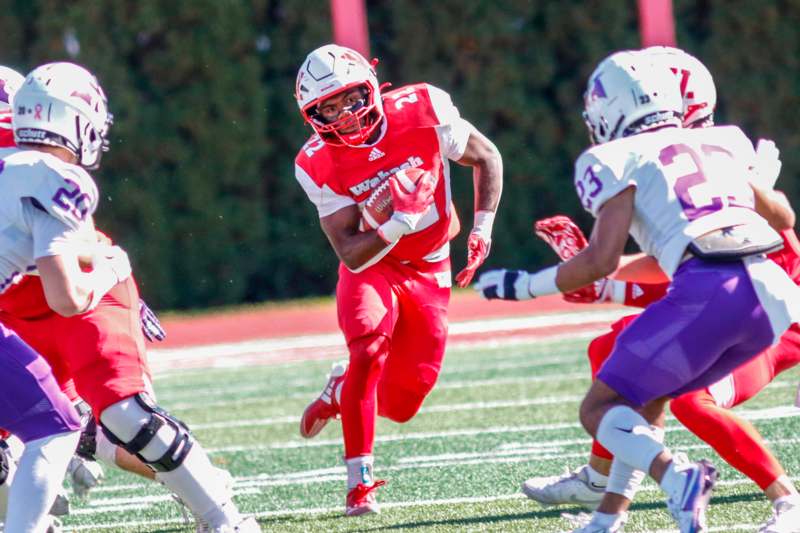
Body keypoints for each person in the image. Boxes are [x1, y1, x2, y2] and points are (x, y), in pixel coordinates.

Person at [475, 50, 800, 532]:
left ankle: (779, 499)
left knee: (665, 399)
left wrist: (535, 284)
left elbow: (696, 271)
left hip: (768, 313)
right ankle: (606, 514)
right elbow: (694, 259)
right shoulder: (727, 145)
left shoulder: (622, 156)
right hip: (754, 294)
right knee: (624, 364)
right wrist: (607, 284)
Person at [6, 62, 258, 533]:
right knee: (46, 433)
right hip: (21, 303)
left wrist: (109, 272)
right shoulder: (40, 167)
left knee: (125, 414)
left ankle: (222, 519)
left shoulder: (42, 170)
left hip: (79, 288)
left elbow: (66, 287)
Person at [293, 44, 503, 515]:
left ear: (371, 88)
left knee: (404, 402)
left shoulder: (422, 109)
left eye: (349, 98)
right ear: (313, 115)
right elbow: (350, 250)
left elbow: (487, 156)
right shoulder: (316, 162)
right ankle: (358, 484)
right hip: (374, 266)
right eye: (328, 107)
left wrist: (482, 228)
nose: (343, 114)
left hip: (431, 263)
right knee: (368, 347)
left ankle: (339, 390)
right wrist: (393, 223)